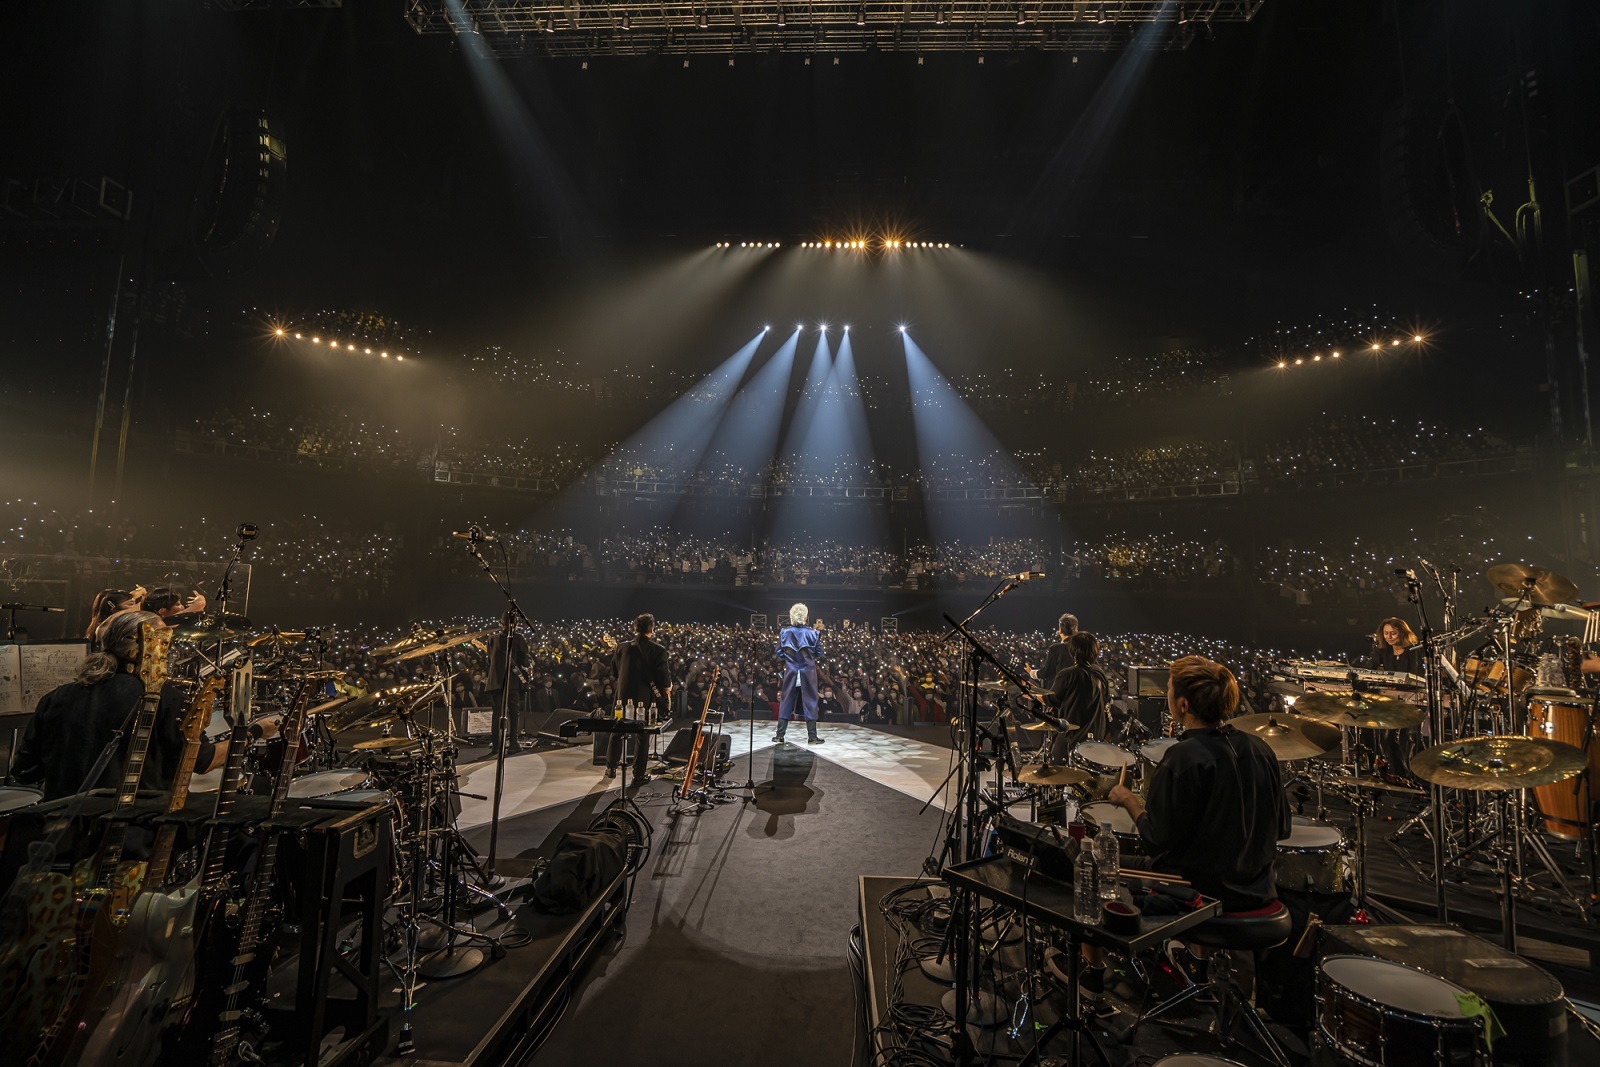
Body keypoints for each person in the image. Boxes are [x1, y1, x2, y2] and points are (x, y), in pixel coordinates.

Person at [10, 611, 276, 802]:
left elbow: (25, 771)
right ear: (148, 648)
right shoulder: (166, 698)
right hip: (136, 837)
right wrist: (253, 732)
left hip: (61, 836)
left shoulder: (57, 697)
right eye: (165, 643)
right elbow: (203, 762)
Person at [1106, 655, 1290, 911]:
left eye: (1168, 687)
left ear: (1183, 704)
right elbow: (1282, 829)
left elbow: (1156, 842)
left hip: (1200, 891)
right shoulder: (1261, 749)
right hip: (1259, 889)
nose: (1166, 692)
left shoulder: (1182, 758)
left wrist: (1129, 800)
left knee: (1094, 861)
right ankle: (1203, 951)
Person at [607, 613, 671, 782]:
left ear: (635, 628)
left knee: (617, 730)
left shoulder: (621, 647)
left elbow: (614, 672)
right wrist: (668, 688)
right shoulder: (658, 650)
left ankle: (611, 768)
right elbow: (663, 677)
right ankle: (638, 774)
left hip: (623, 697)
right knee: (643, 734)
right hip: (645, 699)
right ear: (652, 629)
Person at [1043, 631, 1112, 762]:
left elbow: (1050, 699)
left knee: (1055, 770)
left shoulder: (1068, 674)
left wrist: (1030, 692)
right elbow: (1106, 699)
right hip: (1097, 735)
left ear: (1073, 651)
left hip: (1072, 736)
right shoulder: (1100, 673)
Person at [775, 603, 824, 744]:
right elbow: (819, 653)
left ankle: (780, 735)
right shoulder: (813, 633)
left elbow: (778, 652)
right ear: (806, 618)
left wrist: (790, 659)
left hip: (791, 671)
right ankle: (812, 737)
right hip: (807, 672)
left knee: (786, 701)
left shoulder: (784, 632)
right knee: (810, 701)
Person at [484, 625, 531, 756]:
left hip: (495, 681)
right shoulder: (518, 638)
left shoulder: (491, 639)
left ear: (501, 624)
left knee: (497, 714)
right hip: (512, 682)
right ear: (514, 625)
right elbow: (525, 662)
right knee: (513, 713)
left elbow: (489, 661)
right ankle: (514, 744)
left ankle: (496, 746)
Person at [1028, 613, 1079, 687]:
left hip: (1059, 693)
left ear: (1060, 630)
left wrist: (1031, 672)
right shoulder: (1082, 648)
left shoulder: (1056, 649)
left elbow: (1046, 672)